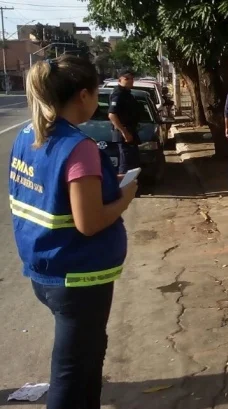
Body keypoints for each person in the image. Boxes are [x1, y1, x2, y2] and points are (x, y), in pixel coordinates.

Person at [11, 55, 137, 409]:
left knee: (86, 358)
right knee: (71, 371)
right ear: (83, 95)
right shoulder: (78, 147)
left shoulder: (28, 134)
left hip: (44, 269)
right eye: (96, 93)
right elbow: (90, 221)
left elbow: (51, 194)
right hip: (78, 279)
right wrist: (125, 197)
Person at [108, 69, 141, 175]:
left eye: (132, 79)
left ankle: (131, 188)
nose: (130, 81)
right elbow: (112, 114)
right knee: (125, 164)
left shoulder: (127, 93)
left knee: (133, 163)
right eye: (127, 78)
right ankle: (123, 189)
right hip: (124, 135)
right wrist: (124, 132)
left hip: (130, 132)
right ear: (119, 80)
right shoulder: (119, 93)